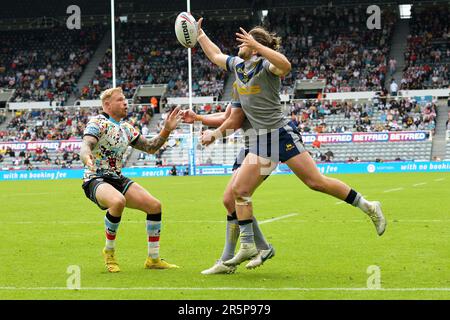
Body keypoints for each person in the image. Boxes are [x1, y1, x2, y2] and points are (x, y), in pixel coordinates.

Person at [196, 19, 386, 267]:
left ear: (254, 47)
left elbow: (285, 65)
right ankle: (249, 246)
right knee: (239, 191)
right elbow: (215, 55)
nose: (239, 45)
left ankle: (369, 206)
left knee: (316, 182)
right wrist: (199, 34)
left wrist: (257, 46)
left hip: (281, 134)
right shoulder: (237, 67)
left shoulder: (266, 66)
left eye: (245, 42)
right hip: (261, 140)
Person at [80, 87, 181, 273]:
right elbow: (86, 144)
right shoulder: (98, 123)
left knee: (154, 206)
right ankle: (109, 252)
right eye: (120, 100)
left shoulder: (126, 128)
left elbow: (150, 147)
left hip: (116, 177)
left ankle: (153, 259)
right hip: (95, 177)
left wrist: (166, 130)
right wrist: (86, 157)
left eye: (125, 99)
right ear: (107, 104)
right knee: (118, 201)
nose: (125, 102)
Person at [181, 99, 275, 274]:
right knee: (229, 201)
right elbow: (227, 116)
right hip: (250, 148)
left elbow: (234, 122)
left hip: (264, 146)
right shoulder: (238, 83)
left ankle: (229, 259)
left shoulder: (248, 81)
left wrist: (213, 135)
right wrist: (198, 117)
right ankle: (259, 248)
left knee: (238, 195)